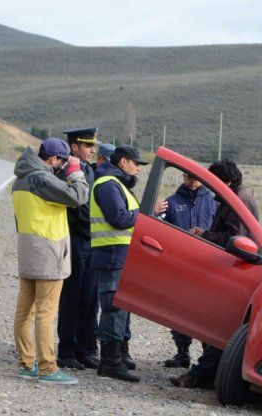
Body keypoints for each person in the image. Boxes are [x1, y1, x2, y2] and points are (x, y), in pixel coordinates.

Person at [171, 159, 259, 389]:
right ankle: (205, 373)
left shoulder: (237, 201)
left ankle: (201, 375)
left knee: (220, 326)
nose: (210, 187)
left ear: (226, 182)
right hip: (230, 271)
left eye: (214, 181)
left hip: (234, 273)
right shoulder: (232, 198)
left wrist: (204, 235)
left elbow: (234, 239)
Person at [11, 138, 89, 385]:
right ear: (53, 159)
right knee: (45, 313)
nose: (62, 167)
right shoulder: (42, 179)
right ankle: (47, 368)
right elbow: (78, 197)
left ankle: (26, 364)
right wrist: (75, 172)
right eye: (62, 162)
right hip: (49, 254)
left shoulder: (20, 180)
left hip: (28, 252)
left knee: (24, 312)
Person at [91, 145, 167, 382]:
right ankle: (110, 362)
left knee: (119, 307)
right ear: (123, 162)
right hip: (111, 255)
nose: (138, 169)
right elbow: (119, 218)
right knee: (113, 309)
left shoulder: (117, 184)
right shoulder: (108, 184)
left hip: (117, 255)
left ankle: (117, 357)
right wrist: (148, 212)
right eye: (136, 164)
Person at [161, 173, 217, 368]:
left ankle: (206, 358)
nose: (192, 180)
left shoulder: (213, 202)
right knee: (179, 309)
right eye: (189, 177)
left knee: (206, 312)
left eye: (195, 177)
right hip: (180, 265)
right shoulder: (171, 202)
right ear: (183, 176)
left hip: (208, 266)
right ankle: (182, 353)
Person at [56, 127, 100, 370]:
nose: (92, 150)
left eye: (93, 145)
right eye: (88, 145)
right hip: (75, 238)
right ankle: (66, 350)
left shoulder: (88, 170)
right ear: (74, 147)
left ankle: (85, 348)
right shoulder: (68, 171)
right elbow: (79, 206)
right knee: (72, 298)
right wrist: (94, 228)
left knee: (89, 297)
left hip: (90, 240)